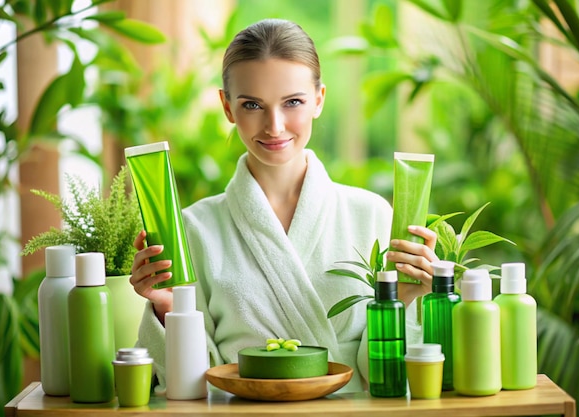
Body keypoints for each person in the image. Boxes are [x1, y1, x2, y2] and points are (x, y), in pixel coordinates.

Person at [131, 18, 438, 393]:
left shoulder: (372, 214)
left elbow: (387, 380)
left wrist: (404, 300)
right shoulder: (195, 227)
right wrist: (167, 308)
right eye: (253, 105)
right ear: (227, 108)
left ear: (319, 100)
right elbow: (195, 385)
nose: (274, 126)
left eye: (293, 102)